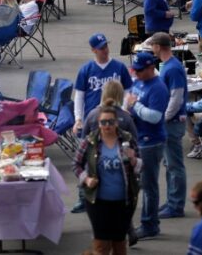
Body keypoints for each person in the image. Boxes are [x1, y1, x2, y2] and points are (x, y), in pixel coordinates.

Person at [72, 32, 133, 213]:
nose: (105, 50)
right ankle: (84, 197)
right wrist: (78, 119)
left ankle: (116, 193)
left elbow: (128, 90)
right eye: (101, 48)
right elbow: (79, 96)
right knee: (86, 161)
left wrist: (124, 109)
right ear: (93, 50)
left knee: (112, 159)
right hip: (92, 120)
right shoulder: (86, 70)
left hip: (114, 121)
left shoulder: (119, 67)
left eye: (106, 46)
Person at [73, 101, 140, 255]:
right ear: (98, 123)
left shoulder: (127, 140)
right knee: (101, 245)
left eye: (110, 122)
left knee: (119, 245)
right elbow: (76, 164)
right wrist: (86, 179)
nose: (107, 125)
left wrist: (134, 160)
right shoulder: (90, 141)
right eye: (103, 122)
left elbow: (140, 167)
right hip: (97, 202)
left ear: (117, 122)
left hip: (124, 202)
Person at [125, 51, 169, 240]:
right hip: (138, 138)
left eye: (140, 70)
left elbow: (155, 117)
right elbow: (129, 101)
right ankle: (146, 222)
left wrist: (135, 107)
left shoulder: (158, 88)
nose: (137, 73)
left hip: (151, 142)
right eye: (135, 70)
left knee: (149, 186)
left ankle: (150, 224)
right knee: (140, 184)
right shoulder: (138, 81)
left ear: (151, 68)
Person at [148, 32, 188, 220]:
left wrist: (162, 118)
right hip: (170, 121)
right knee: (170, 164)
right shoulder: (169, 66)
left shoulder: (172, 68)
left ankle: (176, 204)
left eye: (152, 45)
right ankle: (172, 201)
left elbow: (176, 97)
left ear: (158, 46)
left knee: (174, 165)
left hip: (171, 123)